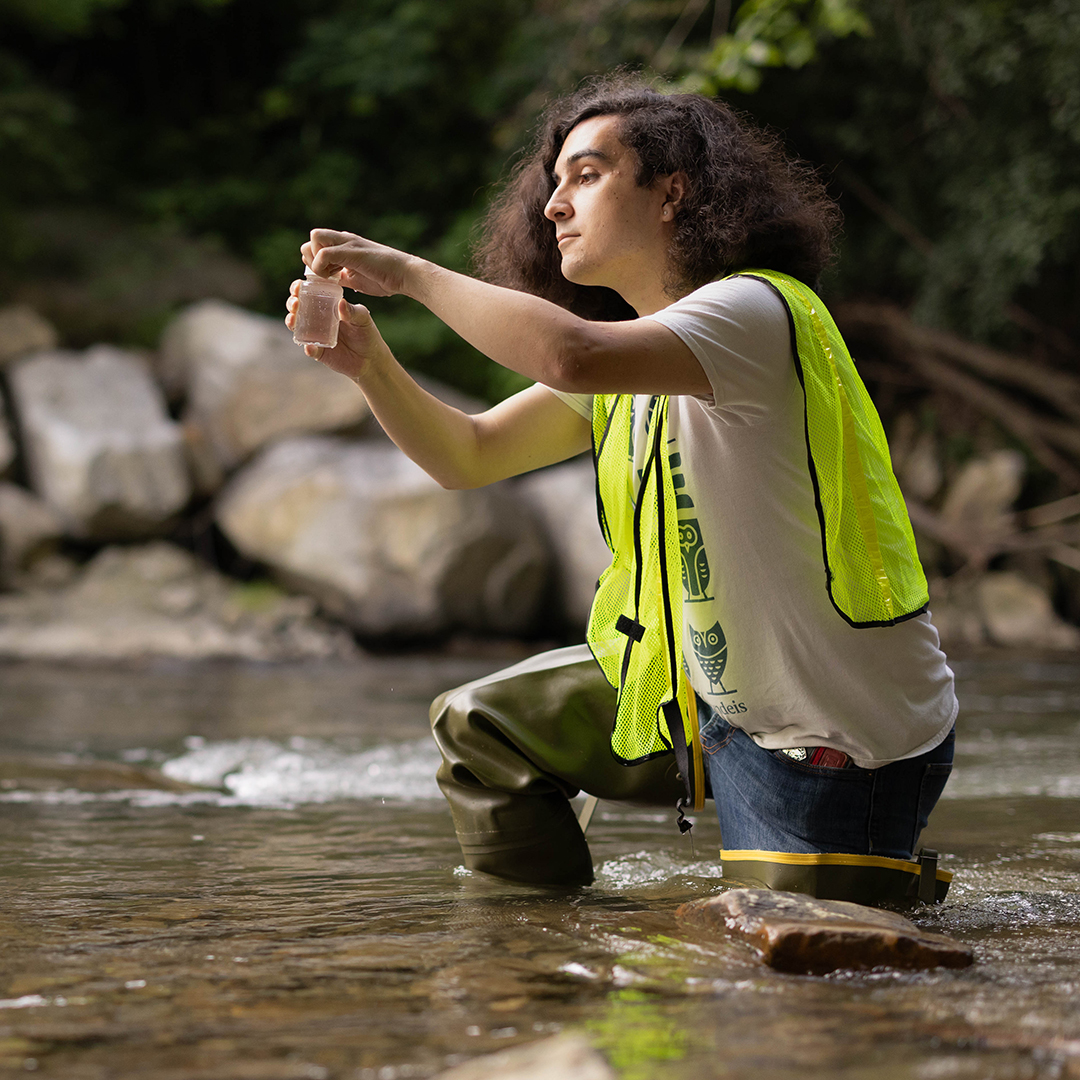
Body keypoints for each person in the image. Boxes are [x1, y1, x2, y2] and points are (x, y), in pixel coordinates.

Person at [284, 76, 958, 899]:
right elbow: (467, 454)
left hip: (834, 732)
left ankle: (888, 875)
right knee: (482, 727)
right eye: (554, 183)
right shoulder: (627, 359)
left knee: (795, 990)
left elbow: (572, 355)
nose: (553, 205)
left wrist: (412, 275)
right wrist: (370, 367)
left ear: (672, 191)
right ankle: (546, 961)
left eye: (587, 175)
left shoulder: (752, 312)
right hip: (692, 694)